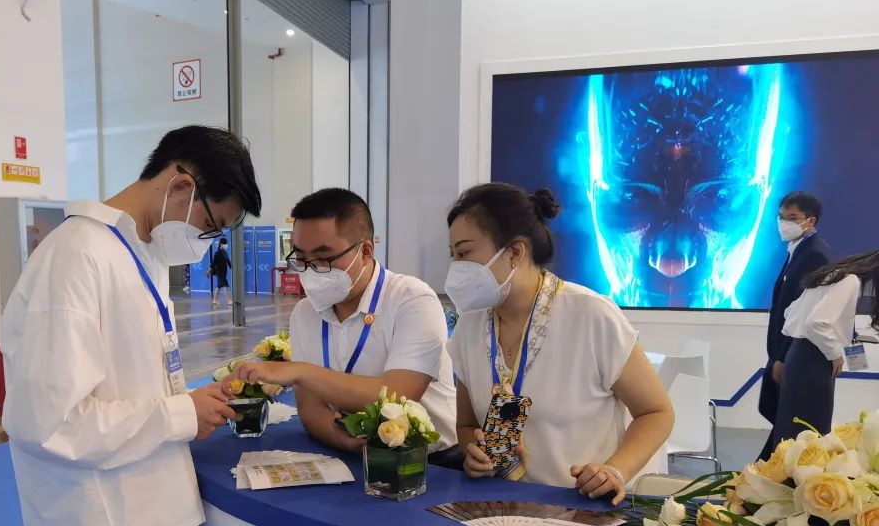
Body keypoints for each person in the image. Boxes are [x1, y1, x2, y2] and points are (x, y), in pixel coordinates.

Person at [0, 125, 261, 526]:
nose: (204, 243)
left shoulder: (132, 254)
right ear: (181, 185)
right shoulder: (77, 257)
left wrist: (190, 404)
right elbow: (50, 421)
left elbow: (128, 381)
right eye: (210, 225)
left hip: (135, 514)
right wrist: (177, 414)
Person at [445, 183, 673, 506]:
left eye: (464, 253)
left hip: (586, 510)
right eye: (452, 255)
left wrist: (614, 471)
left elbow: (656, 413)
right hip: (500, 510)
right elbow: (467, 425)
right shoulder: (469, 326)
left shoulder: (590, 314)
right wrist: (476, 454)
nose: (455, 268)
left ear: (515, 252)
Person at [230, 188, 458, 455]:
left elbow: (399, 394)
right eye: (301, 258)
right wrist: (341, 439)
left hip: (429, 462)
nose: (312, 270)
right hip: (349, 454)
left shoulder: (412, 300)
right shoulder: (305, 312)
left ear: (366, 251)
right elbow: (310, 406)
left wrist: (299, 371)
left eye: (324, 258)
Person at [772, 249, 879, 444]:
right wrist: (835, 353)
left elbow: (791, 311)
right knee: (812, 431)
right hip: (814, 359)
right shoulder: (850, 281)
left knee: (794, 430)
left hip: (800, 354)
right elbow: (817, 322)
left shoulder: (833, 275)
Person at [758, 191, 833, 459]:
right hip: (783, 351)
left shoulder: (814, 255)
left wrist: (782, 356)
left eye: (792, 218)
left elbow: (803, 313)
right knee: (778, 418)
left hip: (794, 354)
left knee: (790, 427)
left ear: (810, 221)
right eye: (781, 217)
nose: (784, 223)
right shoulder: (798, 250)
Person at [208, 236, 232, 306]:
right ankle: (229, 300)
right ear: (221, 244)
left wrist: (233, 268)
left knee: (218, 286)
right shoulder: (217, 253)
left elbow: (228, 261)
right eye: (225, 244)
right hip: (219, 272)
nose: (226, 245)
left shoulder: (225, 252)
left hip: (224, 272)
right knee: (226, 285)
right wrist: (208, 271)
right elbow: (213, 263)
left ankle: (215, 300)